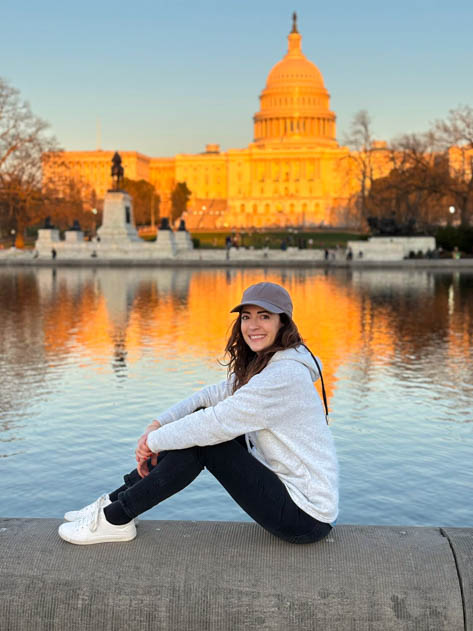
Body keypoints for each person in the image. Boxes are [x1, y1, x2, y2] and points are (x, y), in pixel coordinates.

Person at [58, 282, 339, 546]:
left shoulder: (283, 376)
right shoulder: (270, 364)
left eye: (264, 317)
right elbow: (209, 397)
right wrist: (158, 424)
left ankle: (117, 518)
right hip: (286, 491)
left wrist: (153, 442)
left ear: (283, 323)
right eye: (246, 317)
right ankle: (113, 502)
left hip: (305, 517)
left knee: (206, 442)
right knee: (199, 424)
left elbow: (214, 424)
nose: (252, 325)